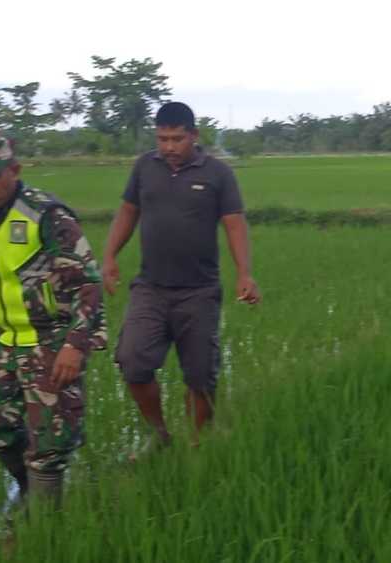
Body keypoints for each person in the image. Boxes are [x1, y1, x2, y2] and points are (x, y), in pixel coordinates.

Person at [0, 131, 107, 509]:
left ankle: (45, 529)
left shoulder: (46, 214)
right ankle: (30, 493)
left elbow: (88, 282)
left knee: (51, 441)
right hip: (5, 339)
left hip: (52, 339)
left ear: (14, 170)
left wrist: (75, 344)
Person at [103, 102, 260, 457]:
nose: (169, 146)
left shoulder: (218, 173)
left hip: (199, 291)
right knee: (132, 361)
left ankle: (197, 444)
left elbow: (234, 223)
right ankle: (159, 435)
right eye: (162, 139)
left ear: (194, 135)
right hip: (150, 288)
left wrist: (244, 275)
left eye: (177, 139)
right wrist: (110, 256)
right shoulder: (145, 167)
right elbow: (129, 211)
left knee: (200, 374)